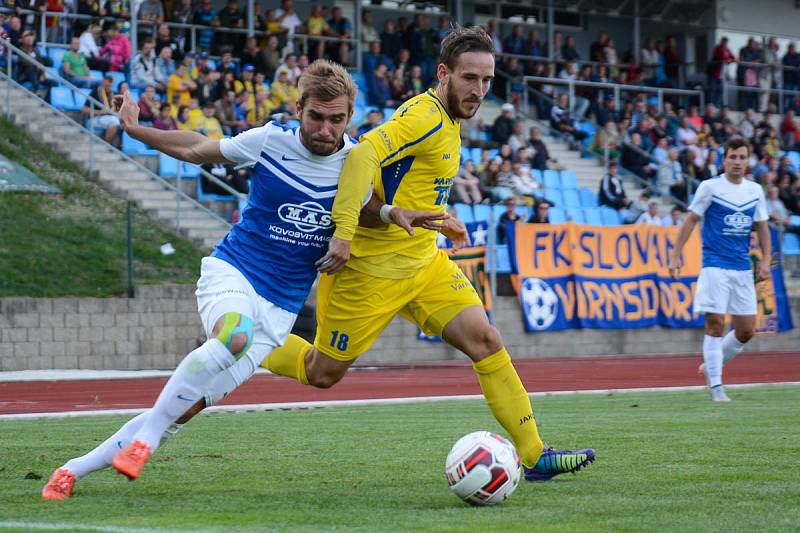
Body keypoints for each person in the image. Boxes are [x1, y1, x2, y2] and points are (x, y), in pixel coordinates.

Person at [40, 59, 445, 500]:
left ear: (348, 118)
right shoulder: (270, 141)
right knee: (234, 334)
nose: (325, 129)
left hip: (280, 311)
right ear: (298, 108)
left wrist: (391, 212)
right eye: (316, 117)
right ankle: (146, 442)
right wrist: (137, 131)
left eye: (336, 119)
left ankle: (71, 470)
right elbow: (197, 148)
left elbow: (365, 207)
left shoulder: (355, 162)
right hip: (235, 272)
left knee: (187, 405)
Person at [260, 25, 595, 483]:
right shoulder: (427, 117)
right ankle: (242, 339)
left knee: (486, 341)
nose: (478, 90)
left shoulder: (448, 120)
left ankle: (535, 455)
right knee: (321, 373)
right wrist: (341, 233)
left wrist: (443, 214)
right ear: (444, 73)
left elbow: (411, 180)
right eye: (469, 78)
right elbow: (361, 158)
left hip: (423, 262)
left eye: (486, 80)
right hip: (369, 272)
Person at [668, 137, 771, 403]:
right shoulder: (710, 187)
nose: (737, 162)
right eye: (732, 157)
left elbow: (762, 226)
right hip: (714, 266)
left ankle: (711, 365)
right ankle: (716, 386)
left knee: (746, 330)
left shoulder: (754, 191)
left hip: (741, 268)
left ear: (748, 161)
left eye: (742, 158)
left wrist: (766, 259)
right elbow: (691, 220)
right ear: (723, 159)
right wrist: (676, 254)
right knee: (715, 324)